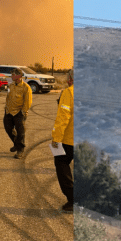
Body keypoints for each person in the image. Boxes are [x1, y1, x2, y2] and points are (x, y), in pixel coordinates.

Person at [51, 69, 74, 212]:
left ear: (69, 79)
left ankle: (73, 199)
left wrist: (56, 139)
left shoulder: (68, 93)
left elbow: (63, 118)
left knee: (61, 163)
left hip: (69, 139)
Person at [3, 68, 32, 159]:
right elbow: (8, 97)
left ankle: (20, 150)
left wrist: (23, 112)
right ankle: (16, 144)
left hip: (19, 113)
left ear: (19, 76)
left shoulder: (26, 87)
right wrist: (6, 108)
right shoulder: (11, 85)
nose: (11, 76)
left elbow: (28, 102)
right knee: (8, 129)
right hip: (8, 111)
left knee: (20, 132)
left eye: (13, 75)